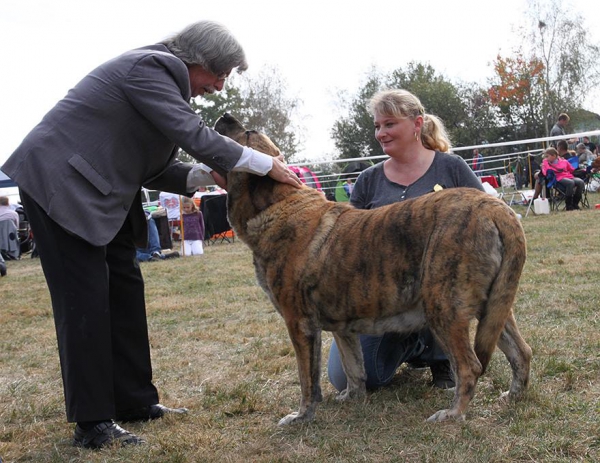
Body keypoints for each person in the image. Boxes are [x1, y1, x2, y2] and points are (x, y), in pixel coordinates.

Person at [1, 20, 302, 450]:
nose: (219, 87)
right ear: (198, 61)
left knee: (124, 290)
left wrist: (202, 173)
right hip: (61, 184)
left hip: (101, 191)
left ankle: (134, 400)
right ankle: (92, 424)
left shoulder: (164, 86)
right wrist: (262, 162)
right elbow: (193, 135)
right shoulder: (150, 67)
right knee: (84, 302)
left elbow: (156, 165)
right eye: (220, 75)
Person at [327, 89, 485, 394]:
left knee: (440, 289)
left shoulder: (451, 167)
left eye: (389, 124)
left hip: (442, 292)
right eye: (377, 126)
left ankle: (439, 353)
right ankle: (415, 346)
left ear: (417, 124)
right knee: (342, 379)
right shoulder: (368, 180)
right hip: (382, 302)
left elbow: (485, 217)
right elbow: (347, 243)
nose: (381, 133)